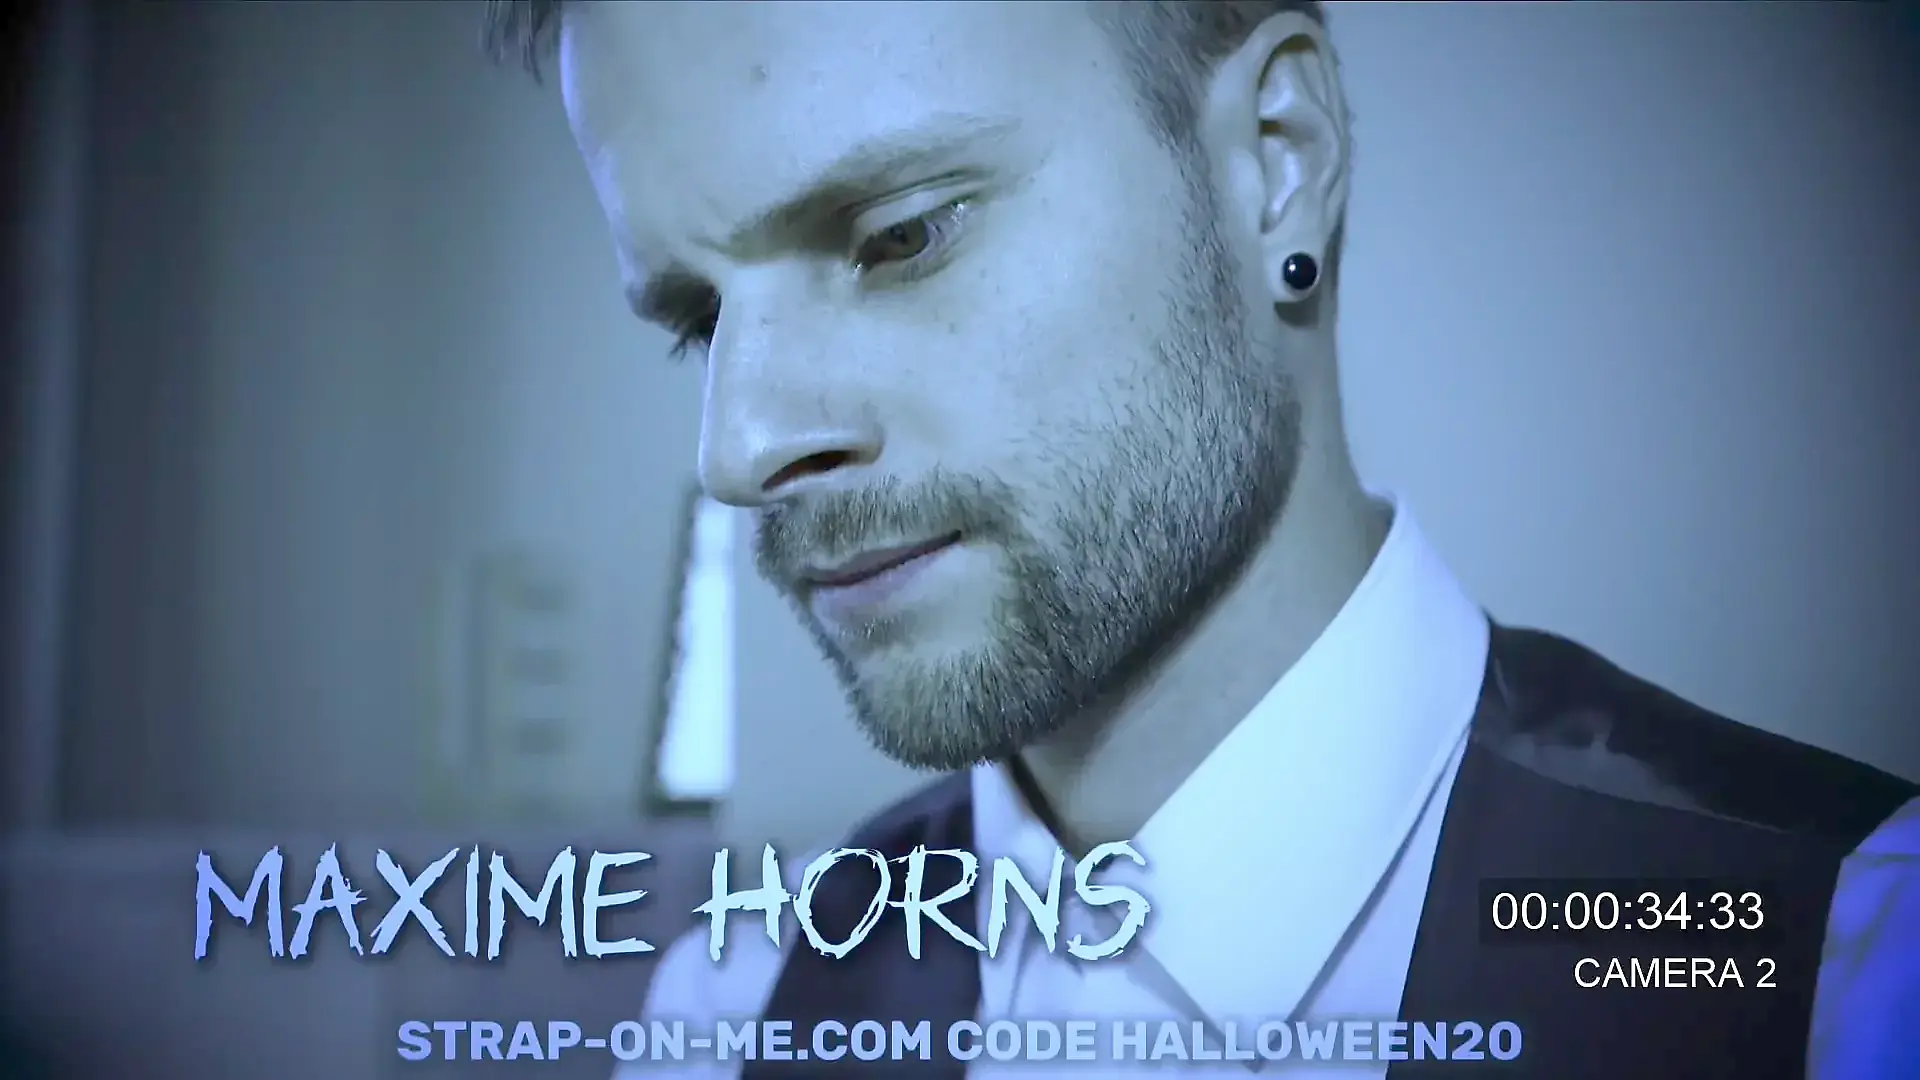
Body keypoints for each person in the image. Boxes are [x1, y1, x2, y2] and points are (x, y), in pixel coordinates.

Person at [483, 2, 1917, 1076]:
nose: (740, 451)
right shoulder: (734, 1011)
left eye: (902, 234)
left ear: (1276, 162)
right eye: (700, 321)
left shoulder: (1847, 971)